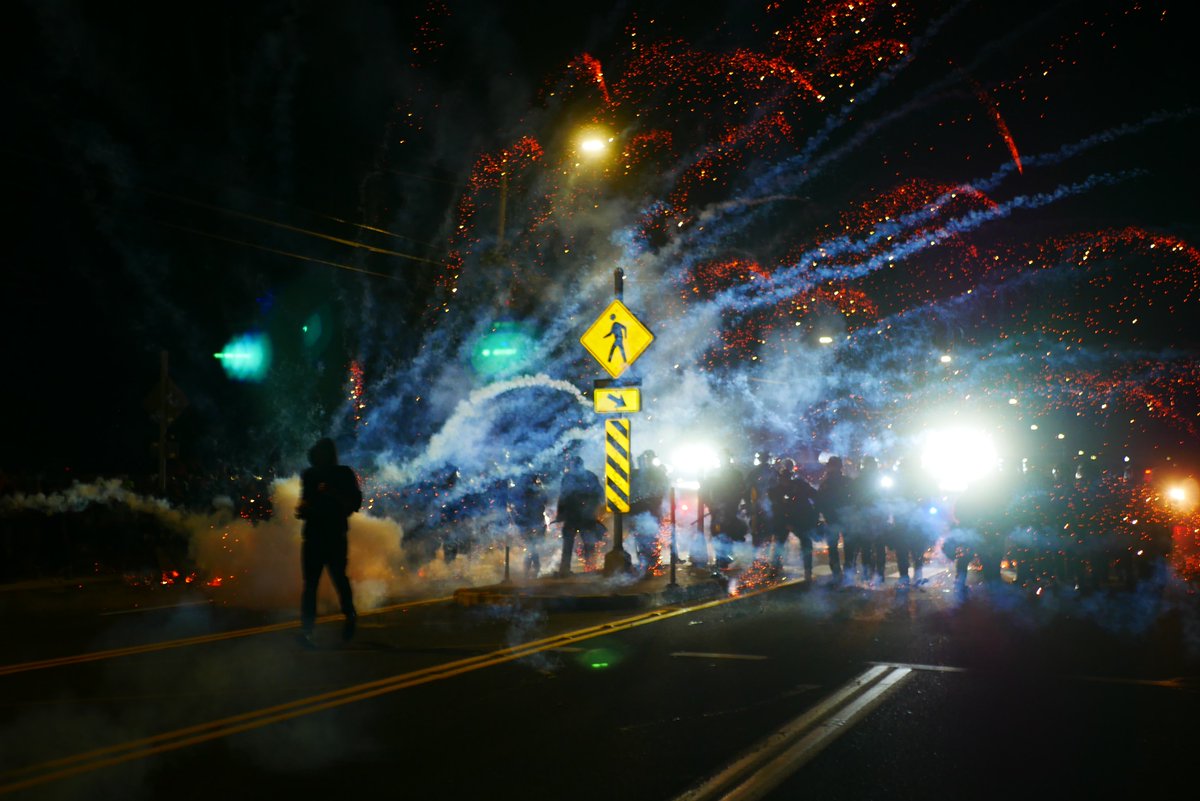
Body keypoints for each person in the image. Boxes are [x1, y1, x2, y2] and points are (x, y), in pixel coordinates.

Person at [296, 438, 362, 645]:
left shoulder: (343, 474)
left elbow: (354, 504)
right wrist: (304, 509)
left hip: (333, 535)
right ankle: (307, 630)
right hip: (314, 535)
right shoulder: (310, 475)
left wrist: (331, 493)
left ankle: (350, 614)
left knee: (339, 579)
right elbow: (305, 501)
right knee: (311, 585)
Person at [770, 458, 819, 579]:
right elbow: (776, 509)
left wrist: (813, 515)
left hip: (799, 520)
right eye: (783, 478)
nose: (784, 480)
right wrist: (785, 522)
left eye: (786, 477)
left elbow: (815, 495)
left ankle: (808, 570)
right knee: (779, 543)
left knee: (806, 542)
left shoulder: (800, 485)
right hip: (783, 520)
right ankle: (775, 568)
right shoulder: (775, 490)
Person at [556, 454, 603, 576]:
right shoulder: (570, 478)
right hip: (576, 516)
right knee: (580, 544)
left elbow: (599, 495)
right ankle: (586, 570)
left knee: (583, 544)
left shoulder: (585, 477)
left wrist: (560, 513)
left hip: (583, 517)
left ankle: (583, 569)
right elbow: (563, 496)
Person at [702, 450, 747, 568]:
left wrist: (739, 504)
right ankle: (720, 558)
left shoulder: (736, 474)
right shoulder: (713, 474)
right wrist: (710, 504)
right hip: (717, 508)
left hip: (731, 508)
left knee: (729, 532)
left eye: (726, 458)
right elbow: (704, 491)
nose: (724, 460)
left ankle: (726, 556)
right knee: (717, 533)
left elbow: (741, 490)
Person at [629, 450, 669, 574]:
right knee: (640, 538)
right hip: (639, 510)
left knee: (652, 537)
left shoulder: (658, 474)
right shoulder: (635, 474)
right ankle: (644, 563)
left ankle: (653, 562)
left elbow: (664, 490)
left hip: (652, 510)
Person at [816, 456, 851, 584]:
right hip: (843, 517)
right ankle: (847, 572)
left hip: (833, 518)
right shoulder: (845, 481)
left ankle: (838, 573)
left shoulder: (826, 483)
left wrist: (821, 515)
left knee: (834, 546)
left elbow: (819, 501)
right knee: (847, 546)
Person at [508, 473, 548, 578]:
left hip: (528, 522)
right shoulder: (537, 489)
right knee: (532, 545)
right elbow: (545, 500)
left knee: (531, 545)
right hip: (531, 522)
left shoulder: (518, 490)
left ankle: (530, 569)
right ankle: (533, 568)